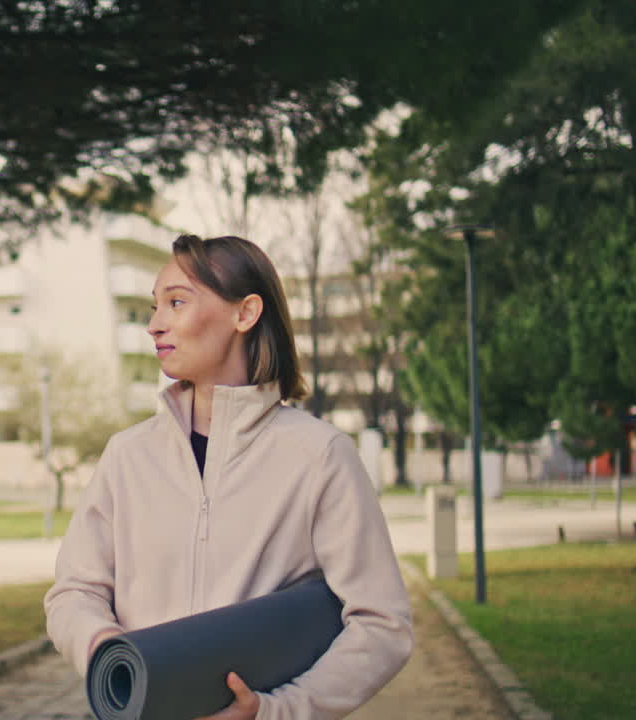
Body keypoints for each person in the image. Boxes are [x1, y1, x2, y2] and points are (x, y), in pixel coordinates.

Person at [44, 234, 412, 720]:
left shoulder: (320, 457)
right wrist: (109, 651)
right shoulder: (126, 457)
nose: (155, 325)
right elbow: (74, 592)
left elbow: (382, 624)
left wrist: (277, 710)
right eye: (155, 306)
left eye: (177, 302)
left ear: (245, 313)